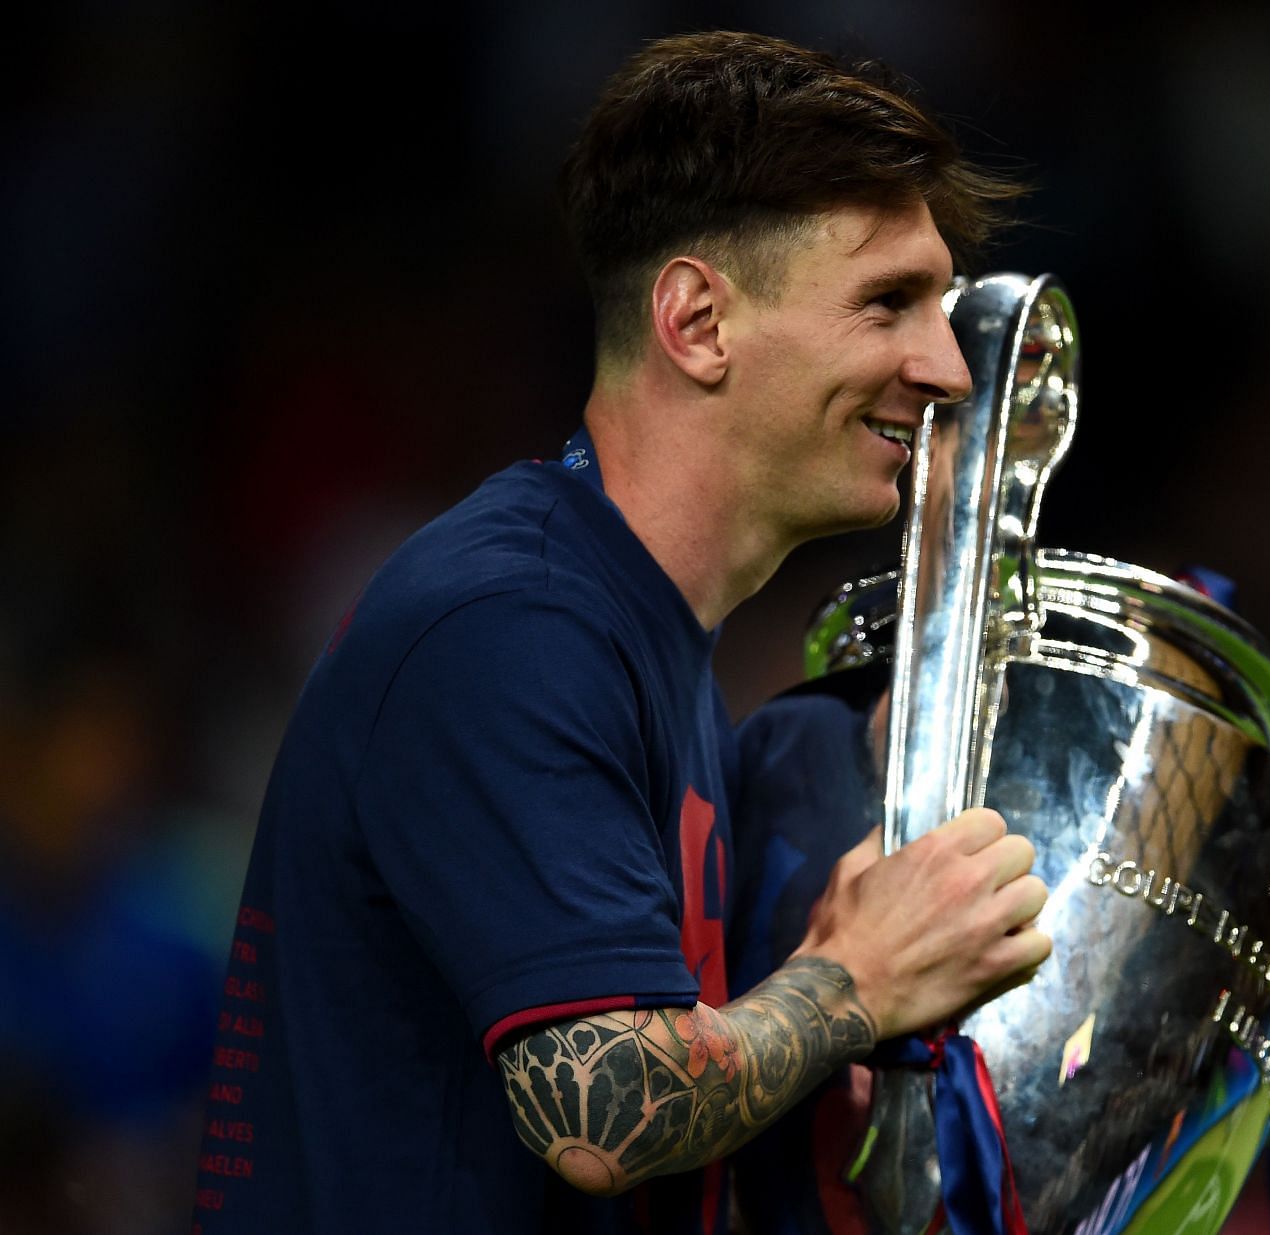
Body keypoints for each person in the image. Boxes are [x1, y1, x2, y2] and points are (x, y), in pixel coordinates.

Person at [191, 31, 1049, 1234]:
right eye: (888, 304)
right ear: (697, 321)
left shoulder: (640, 637)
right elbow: (603, 1111)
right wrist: (856, 977)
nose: (949, 367)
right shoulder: (513, 624)